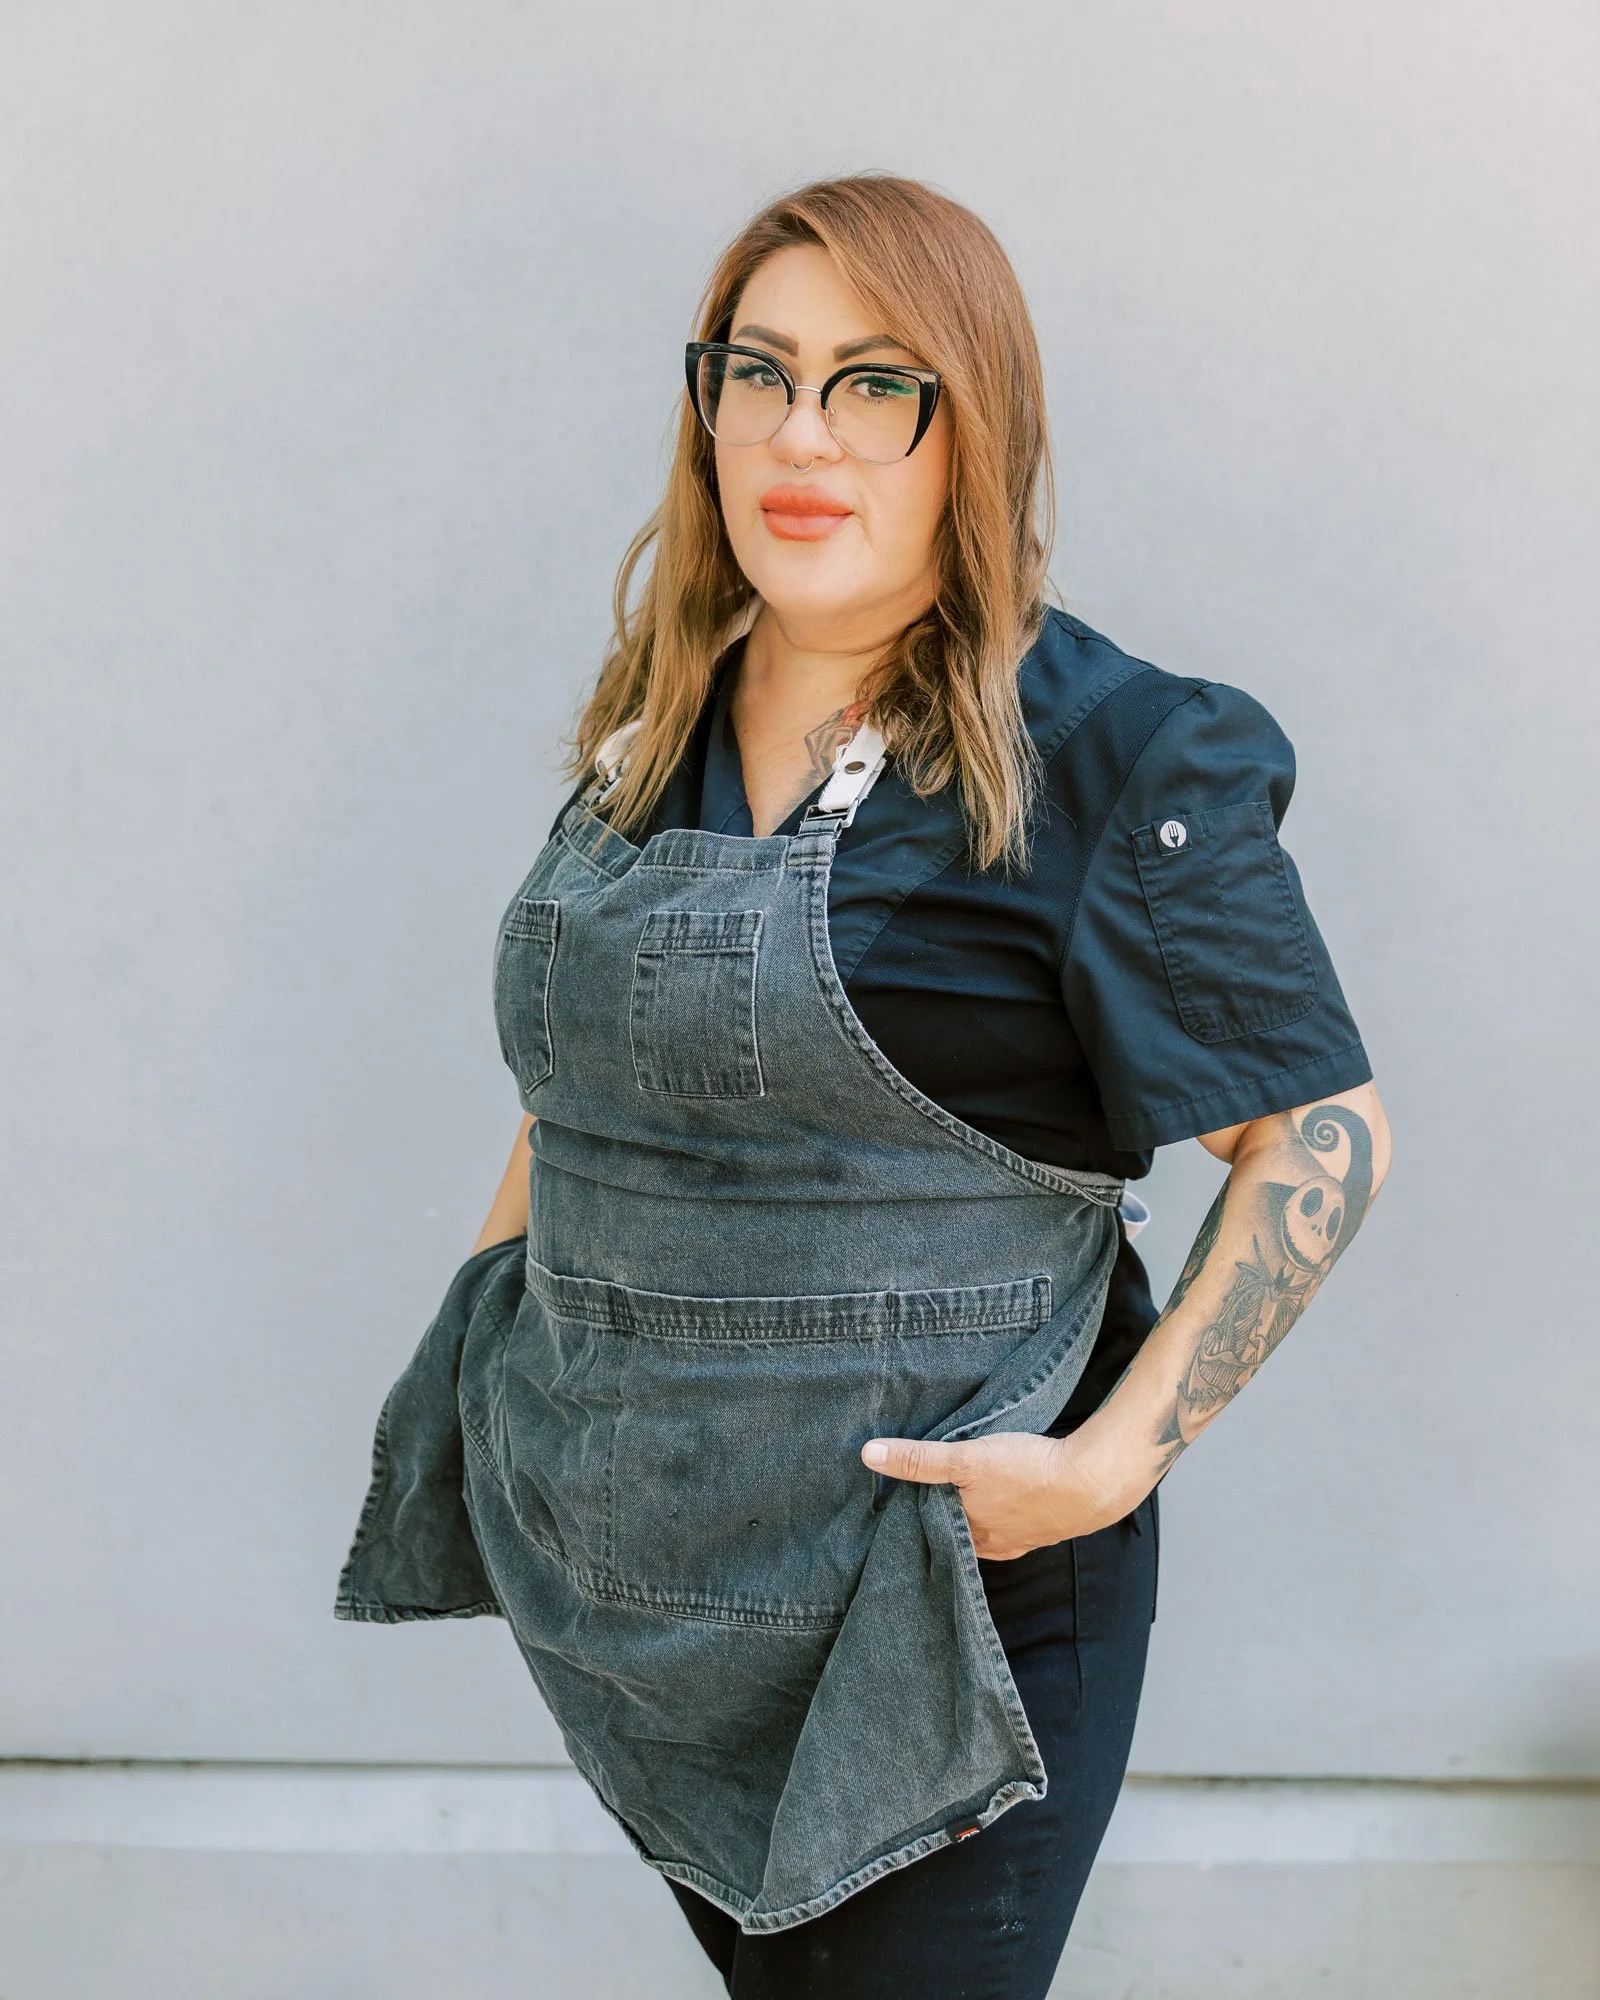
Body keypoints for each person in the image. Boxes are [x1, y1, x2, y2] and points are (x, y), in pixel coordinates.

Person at [336, 174, 1391, 1999]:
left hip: (949, 1614)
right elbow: (580, 1090)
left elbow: (1322, 1127)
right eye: (757, 373)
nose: (802, 434)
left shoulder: (1109, 753)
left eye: (875, 383)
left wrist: (1106, 1467)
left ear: (975, 426)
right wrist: (514, 1370)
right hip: (657, 1618)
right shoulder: (657, 722)